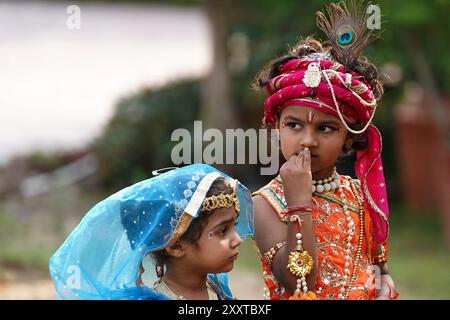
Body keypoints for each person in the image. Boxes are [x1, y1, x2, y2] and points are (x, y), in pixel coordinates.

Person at [252, 1, 398, 300]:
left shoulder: (358, 194)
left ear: (350, 138)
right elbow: (298, 283)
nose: (307, 141)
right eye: (294, 125)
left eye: (326, 128)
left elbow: (378, 272)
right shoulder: (265, 204)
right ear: (275, 127)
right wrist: (298, 202)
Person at [49, 164, 253, 300]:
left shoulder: (217, 288)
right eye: (222, 231)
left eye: (234, 226)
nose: (237, 239)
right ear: (176, 245)